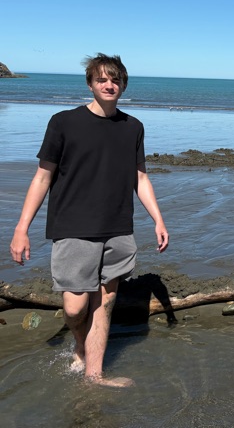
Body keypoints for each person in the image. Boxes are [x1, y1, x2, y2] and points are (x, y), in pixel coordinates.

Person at [9, 54, 169, 387]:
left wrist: (158, 219)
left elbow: (140, 178)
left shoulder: (133, 127)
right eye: (102, 79)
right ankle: (80, 345)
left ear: (123, 85)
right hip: (72, 227)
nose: (110, 85)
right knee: (74, 308)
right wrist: (21, 229)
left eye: (116, 80)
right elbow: (42, 177)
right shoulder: (63, 122)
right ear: (90, 84)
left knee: (105, 303)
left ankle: (94, 374)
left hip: (118, 228)